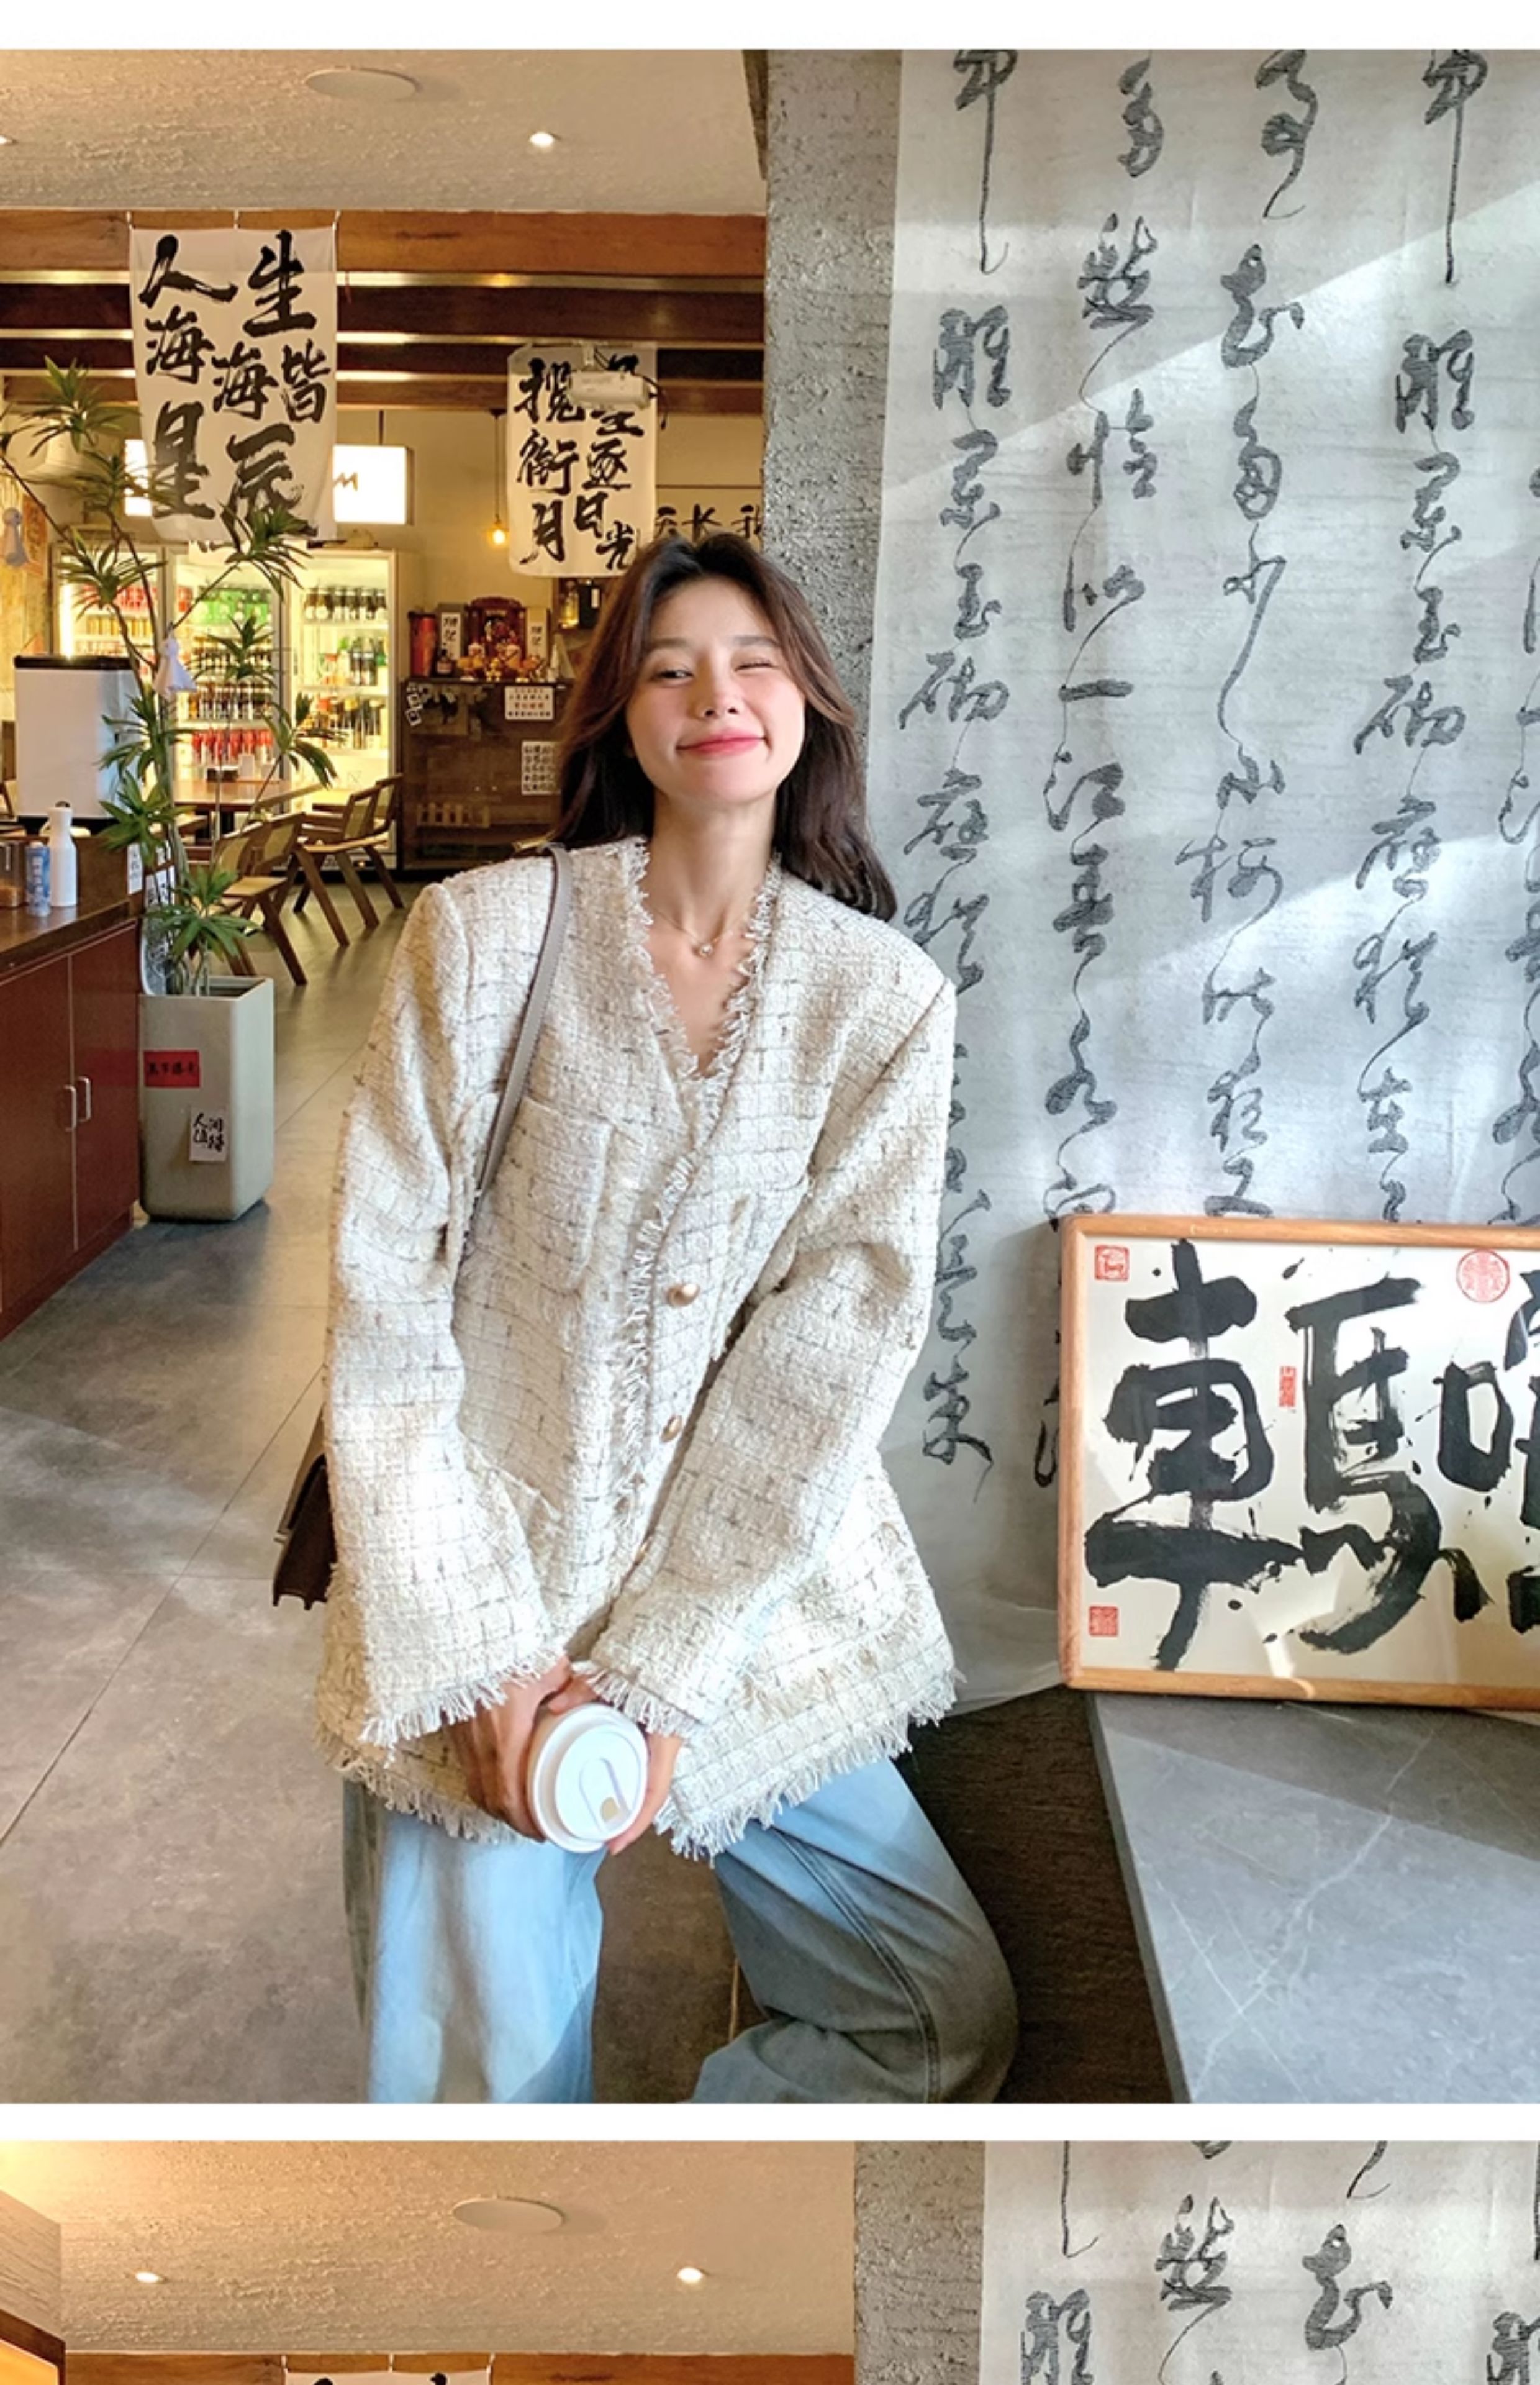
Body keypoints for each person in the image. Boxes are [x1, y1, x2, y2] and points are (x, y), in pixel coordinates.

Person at [320, 530, 1017, 2103]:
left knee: (931, 2015)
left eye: (755, 663)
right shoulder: (486, 936)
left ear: (807, 704)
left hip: (740, 1607)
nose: (718, 695)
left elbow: (832, 1350)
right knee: (481, 2100)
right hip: (481, 1590)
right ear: (619, 718)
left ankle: (683, 2207)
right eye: (669, 668)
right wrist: (480, 1661)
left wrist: (662, 1673)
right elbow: (382, 1310)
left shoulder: (880, 998)